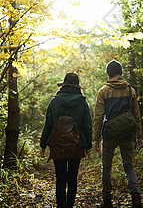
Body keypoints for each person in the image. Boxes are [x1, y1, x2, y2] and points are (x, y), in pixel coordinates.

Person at [93, 60, 143, 208]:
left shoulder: (103, 91)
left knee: (106, 168)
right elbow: (136, 115)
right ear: (120, 73)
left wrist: (96, 138)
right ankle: (135, 195)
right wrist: (139, 135)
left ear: (108, 74)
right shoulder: (130, 90)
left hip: (109, 135)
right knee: (129, 166)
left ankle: (107, 200)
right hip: (127, 134)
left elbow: (98, 116)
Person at [40, 73, 92, 208]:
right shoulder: (82, 102)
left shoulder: (55, 101)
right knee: (72, 178)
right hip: (76, 145)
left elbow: (48, 125)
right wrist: (88, 146)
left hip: (57, 145)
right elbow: (87, 126)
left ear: (63, 85)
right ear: (77, 86)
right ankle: (69, 206)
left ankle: (61, 205)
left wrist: (43, 145)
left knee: (60, 179)